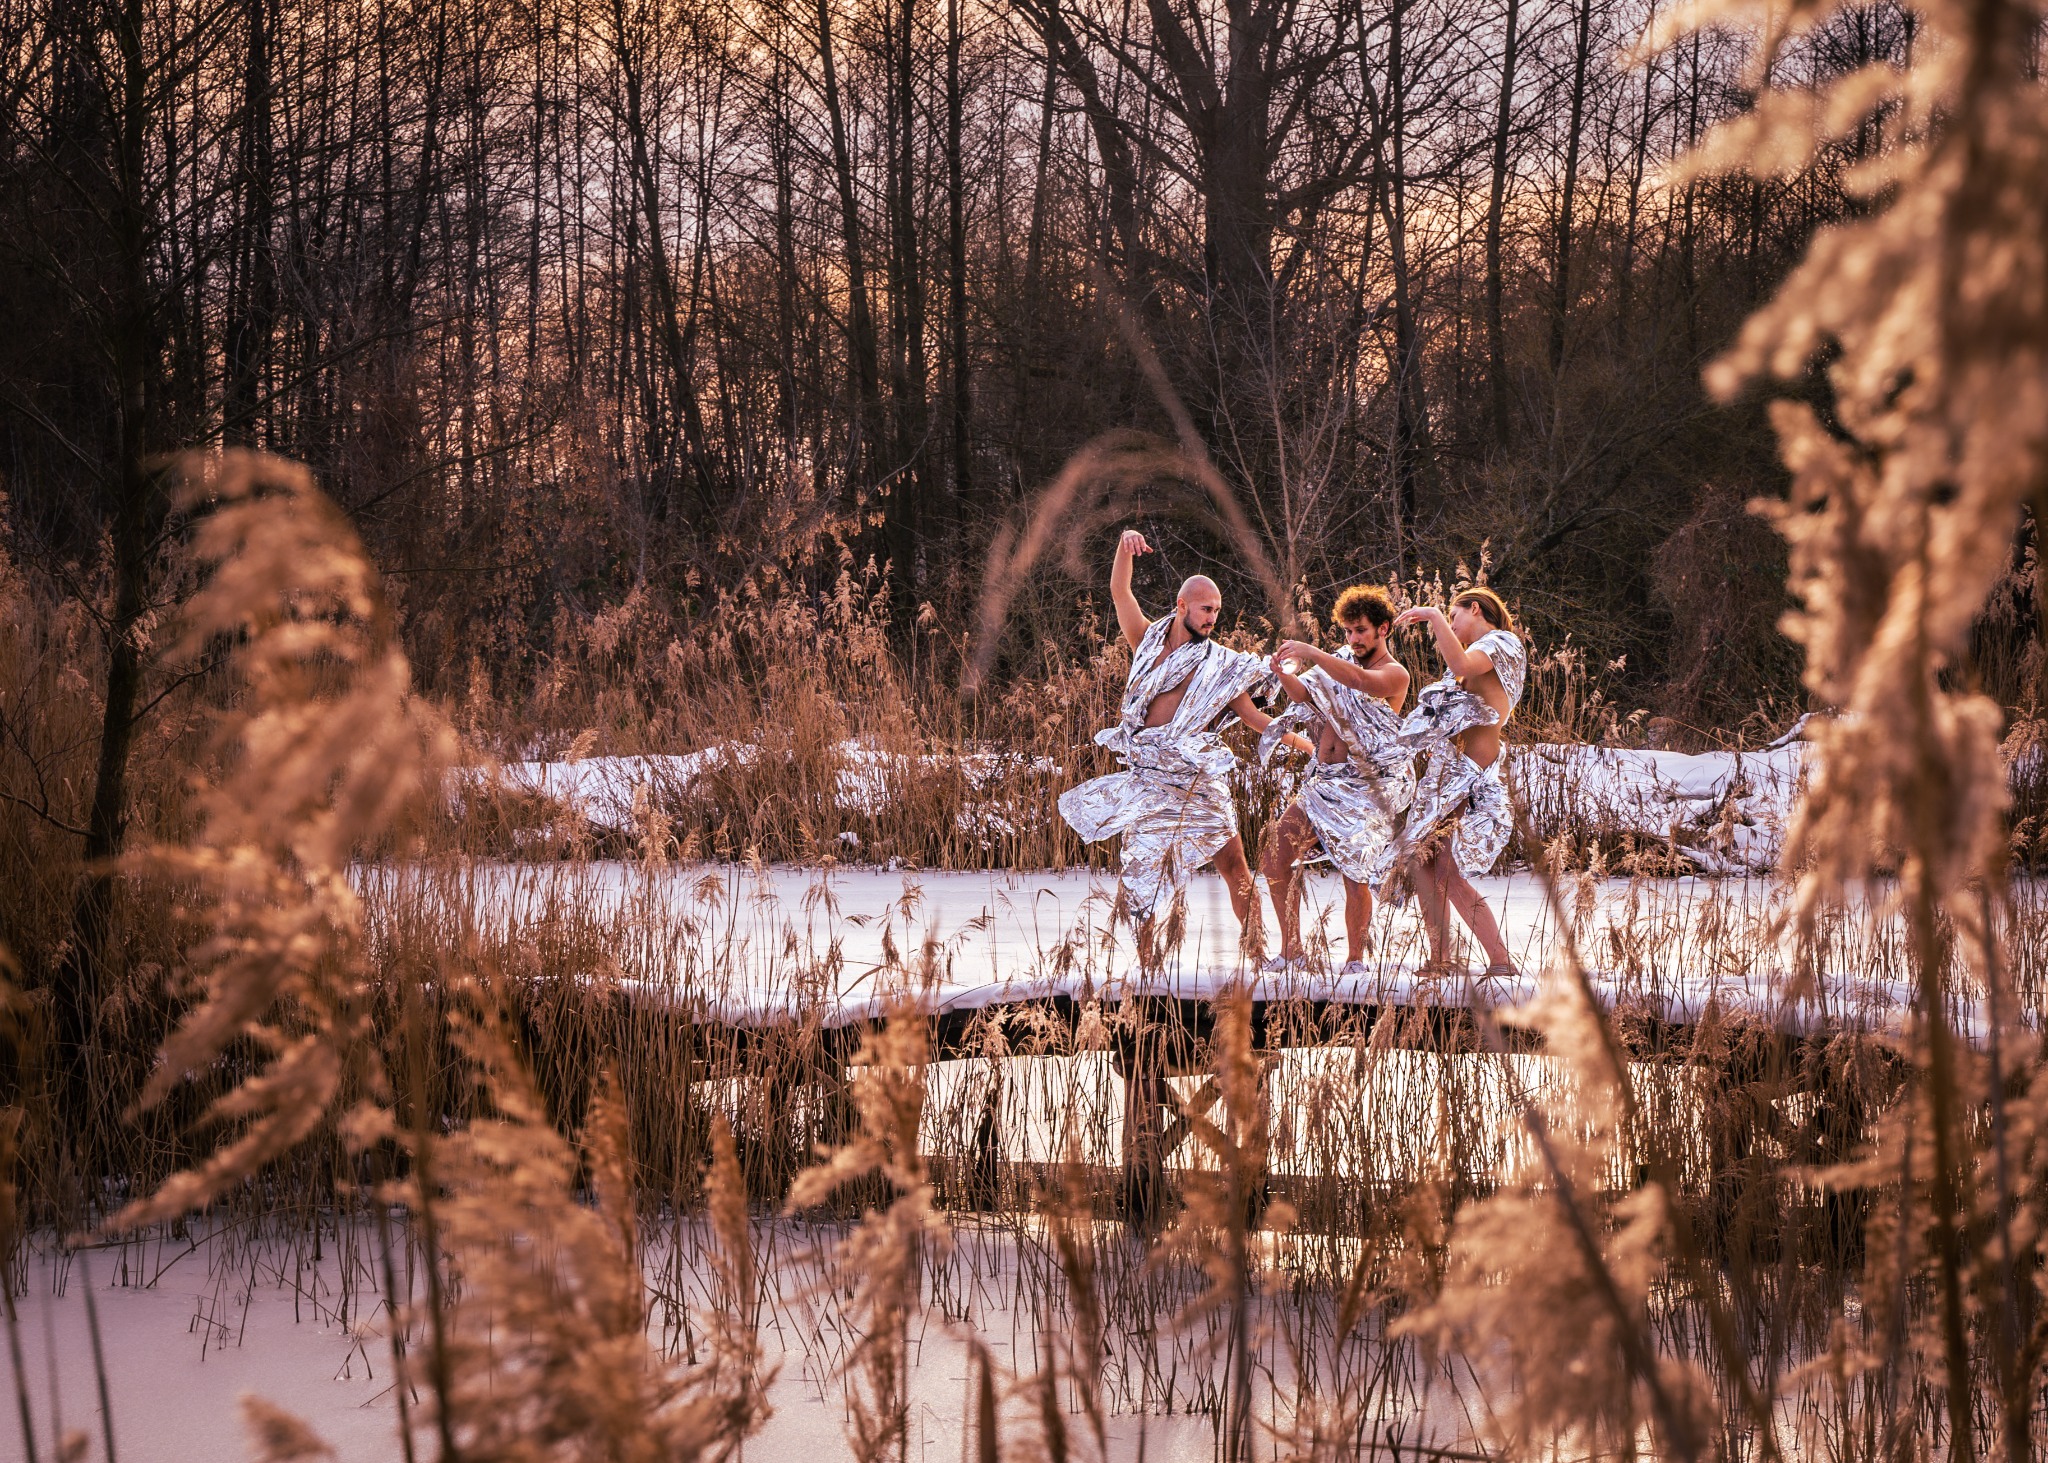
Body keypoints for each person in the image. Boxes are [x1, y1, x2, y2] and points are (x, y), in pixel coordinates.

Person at [1059, 530, 1282, 966]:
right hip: (1150, 780)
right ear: (1182, 606)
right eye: (1205, 609)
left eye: (1217, 610)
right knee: (1141, 874)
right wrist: (1124, 546)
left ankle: (1260, 954)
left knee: (1235, 865)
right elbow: (1120, 591)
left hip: (1197, 778)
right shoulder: (1146, 641)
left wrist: (1304, 742)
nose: (1212, 618)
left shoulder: (1219, 664)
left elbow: (1254, 717)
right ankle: (1149, 966)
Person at [1370, 587, 1528, 977]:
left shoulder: (1502, 643)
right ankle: (1448, 958)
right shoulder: (1480, 652)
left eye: (1454, 617)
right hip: (1450, 773)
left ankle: (1493, 960)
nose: (1451, 626)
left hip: (1468, 774)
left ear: (1475, 609)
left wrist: (1433, 616)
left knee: (1439, 868)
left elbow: (1460, 662)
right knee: (1431, 867)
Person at [1256, 586, 1415, 974]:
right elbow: (1303, 696)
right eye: (1347, 631)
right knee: (1274, 859)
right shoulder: (1338, 662)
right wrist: (1283, 673)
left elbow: (1361, 682)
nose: (1353, 639)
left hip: (1363, 788)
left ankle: (1355, 960)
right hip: (1323, 783)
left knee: (1354, 875)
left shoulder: (1395, 674)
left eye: (1361, 630)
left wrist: (1311, 652)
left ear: (1383, 629)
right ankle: (1292, 951)